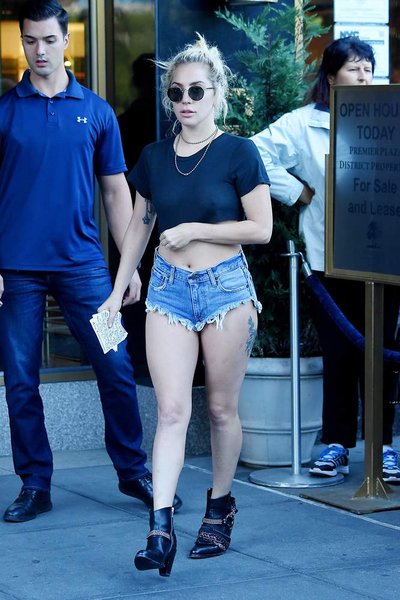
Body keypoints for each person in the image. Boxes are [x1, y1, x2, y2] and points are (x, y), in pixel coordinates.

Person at [0, 0, 181, 523]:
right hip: (16, 270)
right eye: (30, 40)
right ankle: (35, 483)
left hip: (84, 268)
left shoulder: (96, 111)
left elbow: (116, 192)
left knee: (116, 365)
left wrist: (129, 267)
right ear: (22, 42)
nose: (39, 50)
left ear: (66, 41)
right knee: (21, 379)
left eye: (48, 40)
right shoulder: (5, 112)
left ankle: (133, 471)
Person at [99, 34, 272, 575]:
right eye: (176, 92)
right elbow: (139, 226)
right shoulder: (153, 157)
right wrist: (117, 290)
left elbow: (261, 228)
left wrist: (197, 229)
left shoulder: (239, 152)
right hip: (167, 290)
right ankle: (160, 529)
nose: (186, 100)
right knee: (172, 411)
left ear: (216, 92)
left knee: (221, 409)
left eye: (197, 90)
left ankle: (219, 508)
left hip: (226, 290)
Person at [252, 37, 400, 483]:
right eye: (354, 68)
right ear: (332, 77)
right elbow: (255, 152)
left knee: (381, 356)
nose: (364, 76)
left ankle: (384, 446)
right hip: (329, 257)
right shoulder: (303, 124)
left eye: (368, 68)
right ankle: (336, 444)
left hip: (385, 257)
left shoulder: (389, 116)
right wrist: (296, 191)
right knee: (338, 354)